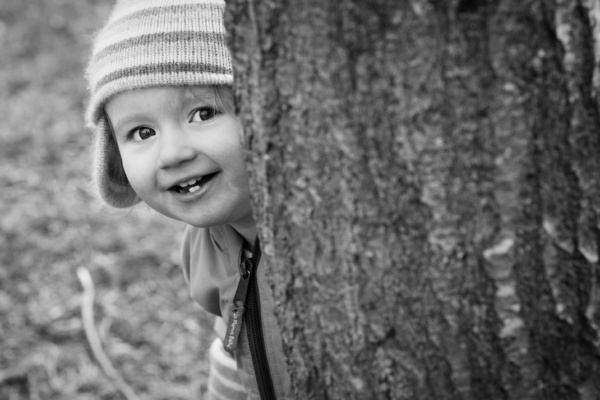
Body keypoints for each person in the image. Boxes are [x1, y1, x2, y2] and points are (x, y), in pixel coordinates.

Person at [84, 1, 292, 399]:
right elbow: (236, 345)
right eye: (143, 133)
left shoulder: (322, 239)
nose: (173, 153)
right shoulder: (204, 247)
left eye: (203, 113)